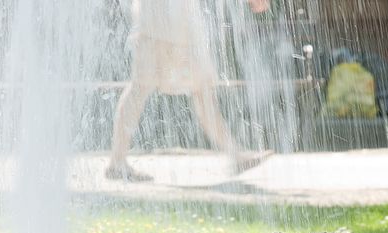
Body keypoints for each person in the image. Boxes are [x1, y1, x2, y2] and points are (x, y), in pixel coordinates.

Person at [106, 0, 271, 182]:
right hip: (167, 19)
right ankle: (117, 162)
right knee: (144, 87)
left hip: (172, 19)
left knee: (199, 90)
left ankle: (236, 155)